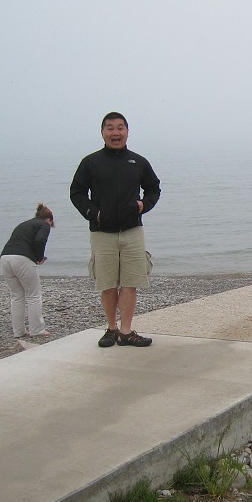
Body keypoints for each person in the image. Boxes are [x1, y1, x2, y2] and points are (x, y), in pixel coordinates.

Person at [70, 111, 161, 348]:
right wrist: (94, 213)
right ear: (102, 132)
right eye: (110, 128)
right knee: (108, 283)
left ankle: (126, 331)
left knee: (131, 282)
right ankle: (111, 329)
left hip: (132, 231)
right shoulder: (91, 162)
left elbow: (154, 188)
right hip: (102, 233)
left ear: (127, 132)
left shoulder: (138, 161)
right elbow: (77, 192)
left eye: (120, 128)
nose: (115, 132)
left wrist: (143, 205)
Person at [0, 203, 54, 340]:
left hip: (5, 257)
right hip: (22, 259)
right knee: (33, 295)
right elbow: (40, 240)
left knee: (17, 296)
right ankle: (37, 329)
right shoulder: (44, 225)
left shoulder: (24, 224)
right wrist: (39, 258)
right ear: (49, 219)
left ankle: (18, 331)